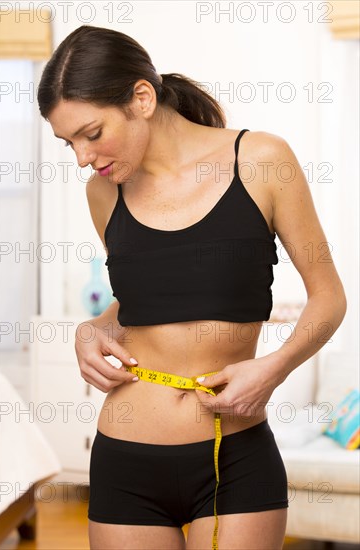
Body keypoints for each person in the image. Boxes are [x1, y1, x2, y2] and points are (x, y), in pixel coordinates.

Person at [37, 25, 347, 550]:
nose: (83, 158)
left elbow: (329, 296)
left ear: (141, 97)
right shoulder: (103, 192)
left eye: (92, 133)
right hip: (125, 457)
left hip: (235, 456)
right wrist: (92, 329)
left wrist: (273, 369)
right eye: (69, 143)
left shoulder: (262, 161)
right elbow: (143, 299)